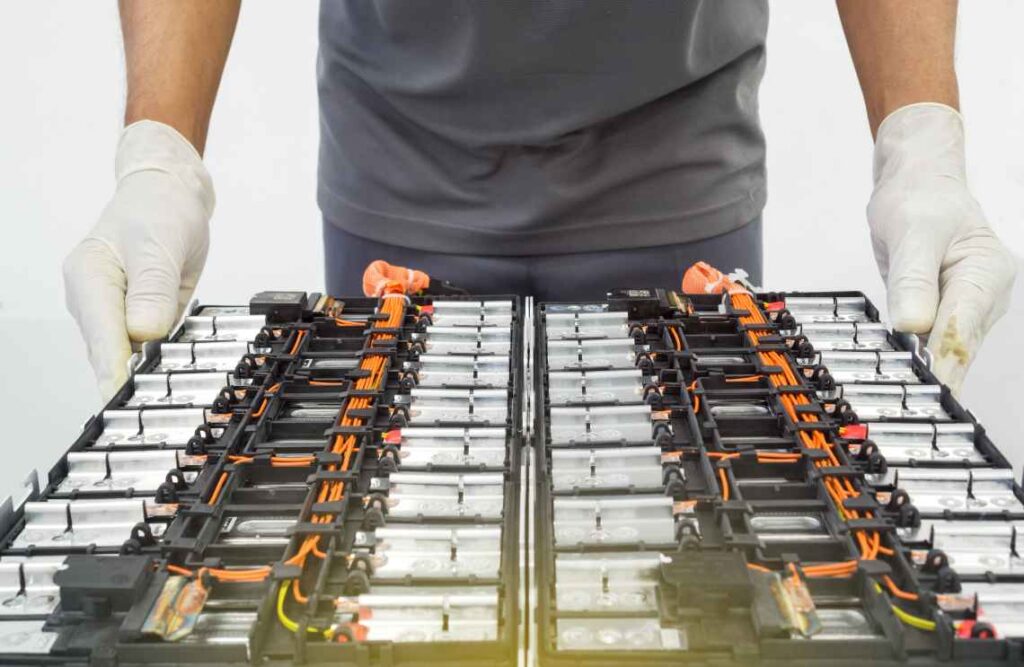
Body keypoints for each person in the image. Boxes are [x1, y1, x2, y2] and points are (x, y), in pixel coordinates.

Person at [64, 1, 1015, 400]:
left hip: (678, 173)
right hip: (398, 173)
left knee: (698, 588)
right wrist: (161, 154)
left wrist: (920, 140)